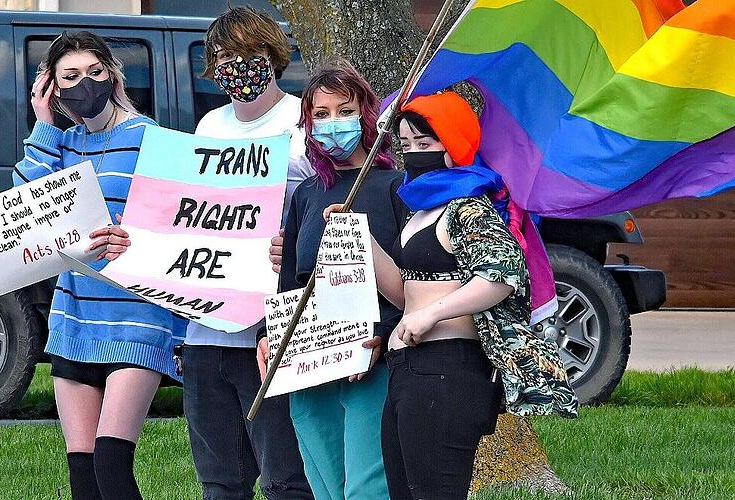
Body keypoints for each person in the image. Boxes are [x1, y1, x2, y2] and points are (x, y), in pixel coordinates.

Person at [325, 91, 578, 499]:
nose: (413, 153)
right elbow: (404, 293)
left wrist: (433, 314)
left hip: (447, 370)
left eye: (424, 142)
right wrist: (358, 235)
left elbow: (501, 277)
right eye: (406, 144)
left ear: (453, 144)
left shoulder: (470, 207)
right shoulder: (420, 210)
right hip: (406, 370)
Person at [13, 31, 186, 500]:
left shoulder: (149, 138)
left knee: (112, 464)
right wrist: (44, 124)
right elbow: (24, 214)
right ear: (51, 85)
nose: (84, 83)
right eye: (69, 76)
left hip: (136, 319)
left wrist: (134, 238)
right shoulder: (60, 143)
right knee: (83, 477)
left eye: (94, 71)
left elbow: (181, 222)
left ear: (113, 75)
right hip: (73, 319)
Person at [181, 7, 314, 500]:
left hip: (275, 328)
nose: (234, 65)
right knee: (219, 482)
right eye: (221, 57)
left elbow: (328, 207)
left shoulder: (304, 122)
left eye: (245, 52)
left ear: (271, 55)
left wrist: (294, 241)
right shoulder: (208, 127)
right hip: (205, 330)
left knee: (286, 478)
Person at [258, 60, 406, 500]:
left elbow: (413, 278)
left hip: (370, 362)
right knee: (324, 486)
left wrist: (383, 335)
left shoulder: (396, 187)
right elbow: (290, 281)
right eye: (320, 114)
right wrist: (269, 336)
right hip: (308, 363)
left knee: (366, 488)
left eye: (344, 111)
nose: (332, 123)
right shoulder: (305, 194)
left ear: (366, 115)